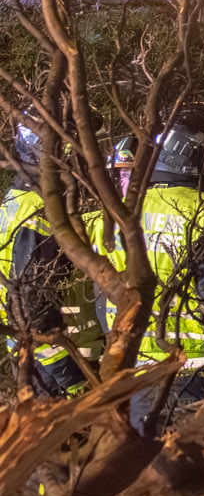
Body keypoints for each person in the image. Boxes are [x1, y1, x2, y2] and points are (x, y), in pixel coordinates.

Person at [83, 105, 204, 430]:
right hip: (198, 374)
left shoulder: (118, 217)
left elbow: (100, 301)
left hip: (133, 373)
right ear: (191, 155)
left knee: (146, 474)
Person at [1, 124, 103, 395]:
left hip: (33, 354)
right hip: (54, 360)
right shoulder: (39, 214)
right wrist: (71, 376)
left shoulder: (16, 202)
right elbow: (32, 303)